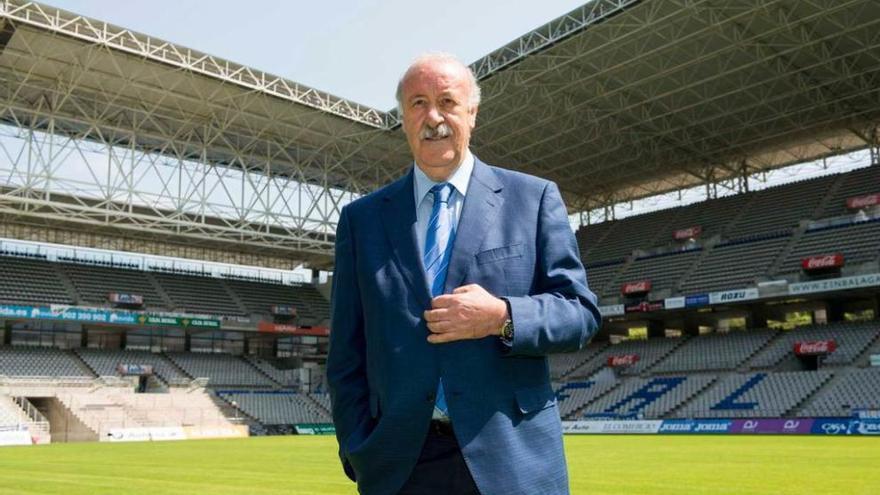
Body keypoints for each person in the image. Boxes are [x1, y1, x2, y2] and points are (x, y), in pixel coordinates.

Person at [327, 52, 601, 495]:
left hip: (512, 460)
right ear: (403, 119)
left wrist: (502, 316)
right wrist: (357, 447)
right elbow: (345, 353)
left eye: (447, 101)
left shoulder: (532, 199)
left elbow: (581, 314)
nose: (432, 116)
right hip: (400, 465)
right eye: (417, 103)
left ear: (471, 113)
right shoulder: (362, 220)